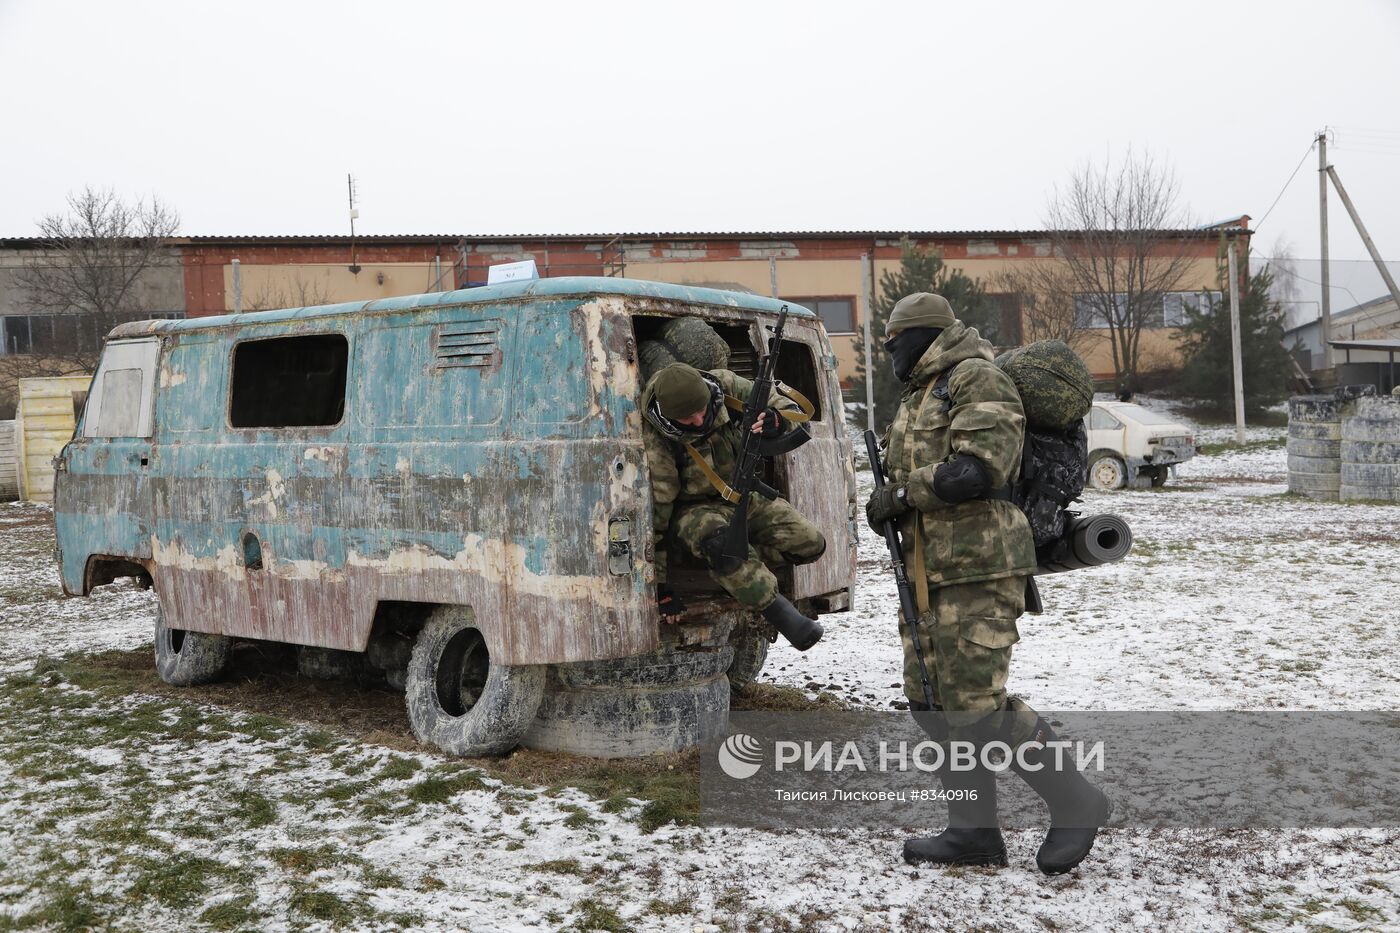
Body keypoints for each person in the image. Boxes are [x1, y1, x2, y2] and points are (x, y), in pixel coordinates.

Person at [864, 292, 1110, 875]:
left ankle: (1077, 802)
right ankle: (972, 832)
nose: (889, 350)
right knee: (932, 701)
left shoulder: (975, 378)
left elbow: (977, 471)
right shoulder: (921, 392)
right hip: (929, 569)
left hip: (980, 565)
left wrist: (898, 495)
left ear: (919, 334)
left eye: (892, 339)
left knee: (977, 705)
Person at [642, 362, 826, 650]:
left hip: (745, 495)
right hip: (696, 512)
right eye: (689, 418)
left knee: (811, 543)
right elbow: (658, 512)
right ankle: (772, 605)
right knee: (722, 546)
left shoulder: (725, 387)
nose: (700, 419)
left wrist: (776, 421)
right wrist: (660, 586)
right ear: (670, 416)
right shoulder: (658, 440)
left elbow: (787, 407)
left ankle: (733, 567)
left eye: (703, 409)